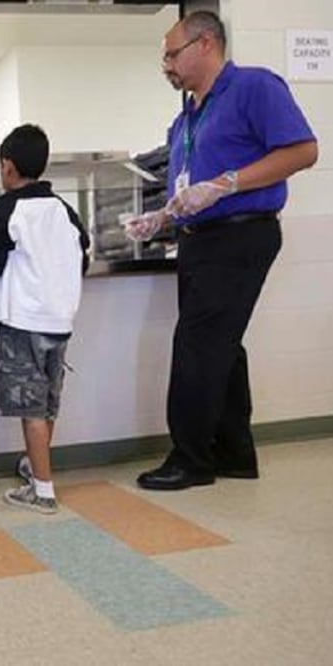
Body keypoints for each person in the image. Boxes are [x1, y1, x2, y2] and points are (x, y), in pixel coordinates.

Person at [127, 11, 318, 491]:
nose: (165, 65)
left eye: (172, 54)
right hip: (198, 241)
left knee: (195, 344)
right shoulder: (185, 118)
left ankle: (191, 459)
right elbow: (187, 189)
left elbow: (304, 151)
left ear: (206, 44)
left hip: (240, 234)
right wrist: (163, 217)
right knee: (221, 347)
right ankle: (234, 453)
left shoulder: (255, 87)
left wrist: (228, 183)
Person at [0, 124, 89, 514]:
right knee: (47, 406)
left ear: (8, 166)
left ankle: (42, 490)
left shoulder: (4, 210)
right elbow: (82, 257)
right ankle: (34, 468)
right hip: (60, 321)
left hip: (23, 321)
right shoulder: (65, 210)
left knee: (31, 410)